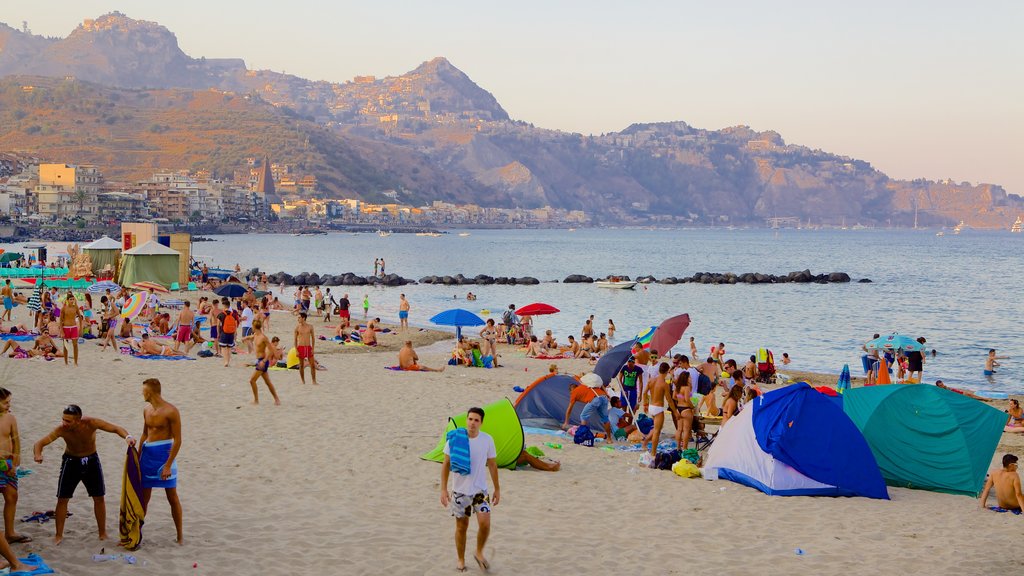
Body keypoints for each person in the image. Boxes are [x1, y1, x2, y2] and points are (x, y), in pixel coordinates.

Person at [33, 404, 134, 544]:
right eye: (63, 419)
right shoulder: (61, 430)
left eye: (68, 421)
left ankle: (102, 533)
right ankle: (58, 535)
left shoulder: (91, 423)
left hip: (92, 461)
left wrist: (127, 437)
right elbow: (39, 443)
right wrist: (38, 454)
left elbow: (115, 428)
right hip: (71, 462)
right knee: (62, 499)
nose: (64, 423)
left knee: (99, 497)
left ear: (78, 420)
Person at [440, 407, 499, 573]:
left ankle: (479, 552)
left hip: (480, 491)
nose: (472, 423)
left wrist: (497, 489)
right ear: (466, 420)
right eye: (470, 419)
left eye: (476, 420)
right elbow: (446, 464)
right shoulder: (456, 439)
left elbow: (493, 465)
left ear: (481, 423)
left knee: (485, 524)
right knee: (461, 527)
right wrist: (443, 489)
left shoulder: (487, 440)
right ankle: (461, 559)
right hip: (460, 491)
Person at [138, 378, 184, 544]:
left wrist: (168, 465)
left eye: (143, 390)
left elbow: (178, 440)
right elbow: (145, 434)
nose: (142, 393)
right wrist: (138, 456)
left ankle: (179, 536)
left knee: (172, 496)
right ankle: (137, 533)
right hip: (148, 456)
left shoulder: (171, 411)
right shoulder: (146, 410)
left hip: (164, 456)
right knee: (144, 497)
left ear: (150, 392)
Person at [0, 389, 29, 544]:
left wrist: (15, 462)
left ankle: (10, 532)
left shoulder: (10, 418)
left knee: (12, 496)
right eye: (5, 402)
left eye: (9, 402)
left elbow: (16, 440)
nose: (8, 405)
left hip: (7, 464)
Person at [248, 319, 281, 405]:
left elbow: (270, 350)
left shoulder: (263, 337)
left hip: (263, 361)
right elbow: (251, 337)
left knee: (252, 380)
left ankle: (256, 400)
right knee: (268, 382)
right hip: (260, 361)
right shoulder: (255, 335)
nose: (251, 327)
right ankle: (277, 399)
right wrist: (245, 338)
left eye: (252, 326)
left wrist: (264, 361)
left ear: (255, 327)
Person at [645, 363, 675, 458]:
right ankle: (653, 452)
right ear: (667, 371)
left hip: (651, 406)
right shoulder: (664, 384)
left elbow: (645, 392)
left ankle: (645, 442)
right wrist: (675, 412)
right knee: (657, 431)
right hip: (658, 408)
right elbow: (669, 400)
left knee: (657, 428)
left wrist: (645, 404)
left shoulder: (651, 380)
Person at [577, 373, 614, 443]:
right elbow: (602, 386)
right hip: (604, 397)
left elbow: (579, 381)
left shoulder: (586, 381)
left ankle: (582, 435)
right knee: (605, 419)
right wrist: (606, 393)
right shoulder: (598, 381)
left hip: (595, 398)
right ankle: (609, 439)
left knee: (583, 416)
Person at [59, 292, 83, 366]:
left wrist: (81, 328)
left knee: (75, 345)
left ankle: (75, 362)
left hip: (73, 327)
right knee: (65, 346)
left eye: (73, 299)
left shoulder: (75, 307)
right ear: (67, 300)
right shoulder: (63, 308)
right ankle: (66, 362)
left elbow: (80, 317)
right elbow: (60, 320)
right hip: (66, 327)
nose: (72, 301)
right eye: (70, 299)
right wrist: (62, 331)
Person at [294, 313, 318, 384]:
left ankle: (314, 381)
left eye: (299, 317)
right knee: (301, 365)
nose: (298, 319)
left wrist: (313, 349)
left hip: (308, 347)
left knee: (312, 365)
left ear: (303, 318)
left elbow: (313, 338)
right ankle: (303, 381)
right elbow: (295, 340)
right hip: (300, 347)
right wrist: (296, 350)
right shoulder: (297, 328)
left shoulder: (310, 327)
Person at [217, 298, 239, 367]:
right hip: (231, 333)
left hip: (224, 332)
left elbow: (218, 325)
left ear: (224, 305)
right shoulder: (234, 314)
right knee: (229, 348)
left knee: (223, 348)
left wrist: (218, 333)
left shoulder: (221, 314)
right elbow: (235, 325)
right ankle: (228, 362)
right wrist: (235, 334)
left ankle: (225, 361)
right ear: (229, 306)